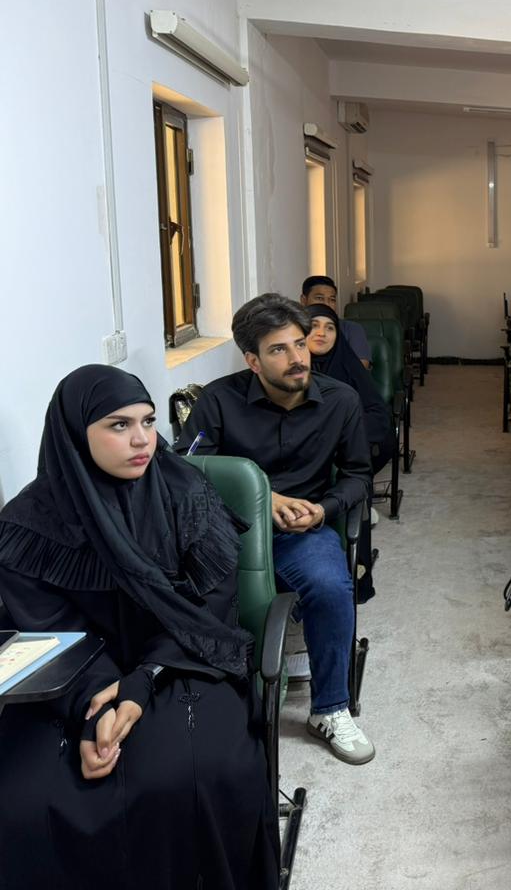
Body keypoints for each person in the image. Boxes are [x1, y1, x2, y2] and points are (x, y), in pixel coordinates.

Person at [0, 365, 279, 889]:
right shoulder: (28, 524)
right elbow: (48, 630)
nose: (142, 440)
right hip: (74, 680)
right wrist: (93, 703)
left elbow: (208, 610)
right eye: (119, 425)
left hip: (182, 658)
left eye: (148, 421)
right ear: (74, 433)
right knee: (26, 799)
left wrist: (142, 681)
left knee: (195, 775)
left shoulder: (188, 495)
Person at [175, 293, 376, 765]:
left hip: (300, 532)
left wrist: (323, 510)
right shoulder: (218, 400)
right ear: (253, 360)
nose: (297, 358)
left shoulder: (341, 401)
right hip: (228, 530)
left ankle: (330, 709)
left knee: (330, 586)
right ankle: (208, 706)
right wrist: (265, 498)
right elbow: (186, 471)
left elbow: (358, 476)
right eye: (279, 350)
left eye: (300, 344)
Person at [306, 303, 394, 476]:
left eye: (330, 328)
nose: (321, 333)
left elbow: (377, 415)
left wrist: (338, 433)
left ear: (337, 335)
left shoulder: (350, 365)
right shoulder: (290, 368)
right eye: (313, 325)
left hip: (345, 445)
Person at [301, 275, 371, 368]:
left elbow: (360, 368)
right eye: (319, 298)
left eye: (332, 300)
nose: (327, 304)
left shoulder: (351, 329)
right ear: (303, 300)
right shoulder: (295, 328)